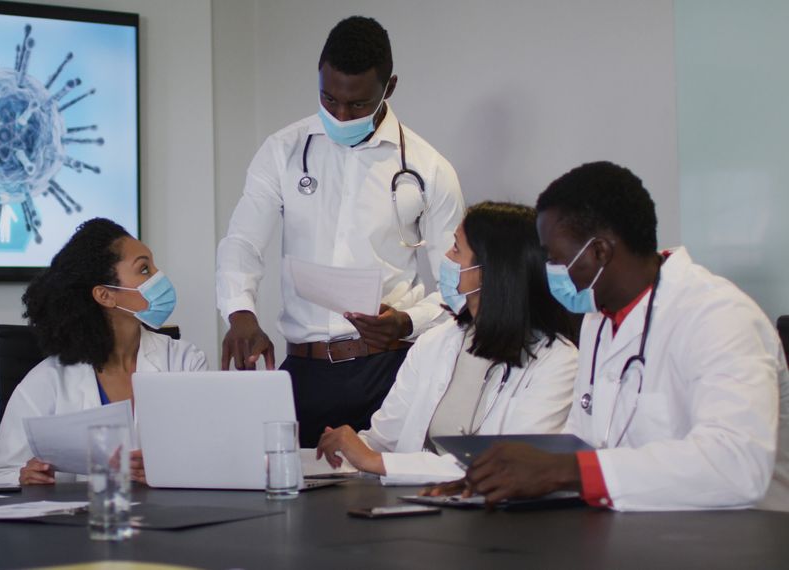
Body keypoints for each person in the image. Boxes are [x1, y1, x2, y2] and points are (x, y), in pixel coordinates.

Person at [426, 161, 789, 511]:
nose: (548, 271)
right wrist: (500, 477)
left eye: (554, 257)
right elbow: (584, 440)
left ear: (599, 251)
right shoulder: (599, 319)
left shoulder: (719, 316)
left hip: (743, 536)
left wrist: (564, 472)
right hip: (635, 527)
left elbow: (736, 465)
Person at [216, 16, 465, 446]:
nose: (341, 114)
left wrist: (406, 321)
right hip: (303, 372)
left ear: (390, 88)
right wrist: (240, 313)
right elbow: (242, 241)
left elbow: (459, 284)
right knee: (288, 501)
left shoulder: (428, 169)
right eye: (328, 99)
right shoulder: (283, 151)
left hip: (387, 370)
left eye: (358, 104)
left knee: (385, 503)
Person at [316, 202, 577, 480]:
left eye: (456, 248)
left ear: (489, 270)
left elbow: (510, 464)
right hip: (415, 508)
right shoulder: (434, 343)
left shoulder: (558, 361)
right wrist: (342, 450)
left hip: (494, 518)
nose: (447, 258)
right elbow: (382, 441)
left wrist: (373, 460)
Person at [0, 218, 207, 486]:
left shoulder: (185, 362)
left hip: (168, 520)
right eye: (145, 269)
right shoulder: (48, 380)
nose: (160, 276)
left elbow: (215, 454)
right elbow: (0, 475)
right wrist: (25, 479)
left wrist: (169, 469)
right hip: (79, 525)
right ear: (105, 296)